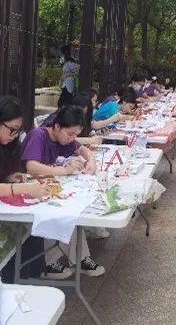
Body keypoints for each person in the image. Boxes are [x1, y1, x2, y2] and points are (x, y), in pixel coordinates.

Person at [21, 105, 104, 280]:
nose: (72, 138)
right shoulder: (39, 135)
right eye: (70, 134)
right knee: (60, 212)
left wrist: (91, 162)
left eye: (75, 134)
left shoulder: (61, 138)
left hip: (44, 188)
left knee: (69, 209)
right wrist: (64, 170)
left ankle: (80, 258)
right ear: (57, 126)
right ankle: (52, 263)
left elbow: (83, 150)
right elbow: (31, 166)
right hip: (26, 193)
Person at [0, 96, 48, 283]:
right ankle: (12, 280)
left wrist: (9, 178)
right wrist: (21, 187)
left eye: (18, 130)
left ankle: (28, 276)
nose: (14, 135)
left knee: (33, 223)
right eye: (11, 129)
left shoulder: (8, 144)